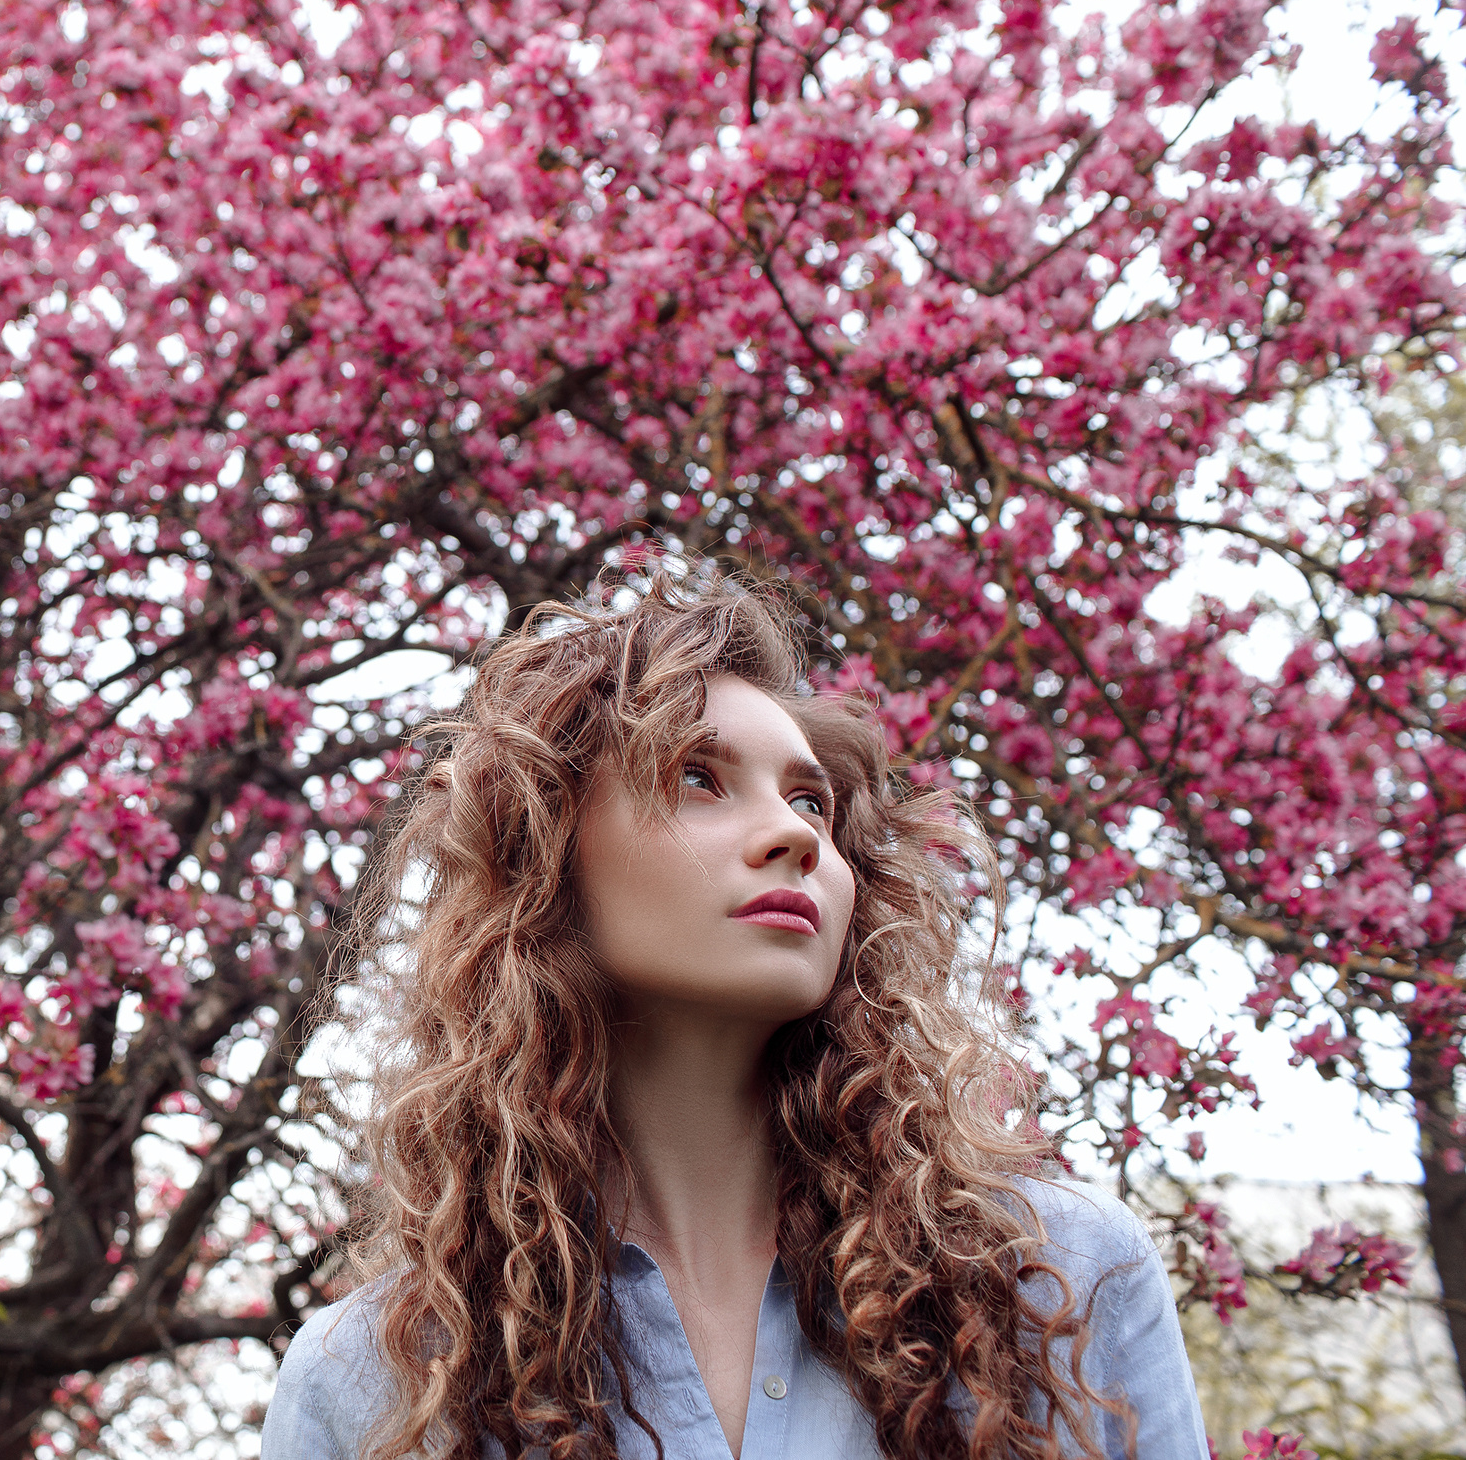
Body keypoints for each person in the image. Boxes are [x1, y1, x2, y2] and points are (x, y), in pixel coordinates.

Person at [263, 566, 1205, 1460]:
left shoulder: (1061, 1280)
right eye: (699, 776)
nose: (796, 833)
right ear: (543, 862)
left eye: (812, 802)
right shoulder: (373, 1380)